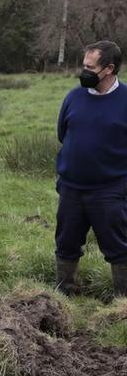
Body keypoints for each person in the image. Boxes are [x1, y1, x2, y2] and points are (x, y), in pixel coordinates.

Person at [55, 40, 127, 296]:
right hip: (71, 189)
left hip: (109, 191)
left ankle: (122, 304)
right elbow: (63, 133)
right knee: (65, 244)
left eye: (89, 67)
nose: (83, 72)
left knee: (119, 248)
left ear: (109, 69)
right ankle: (64, 297)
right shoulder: (74, 97)